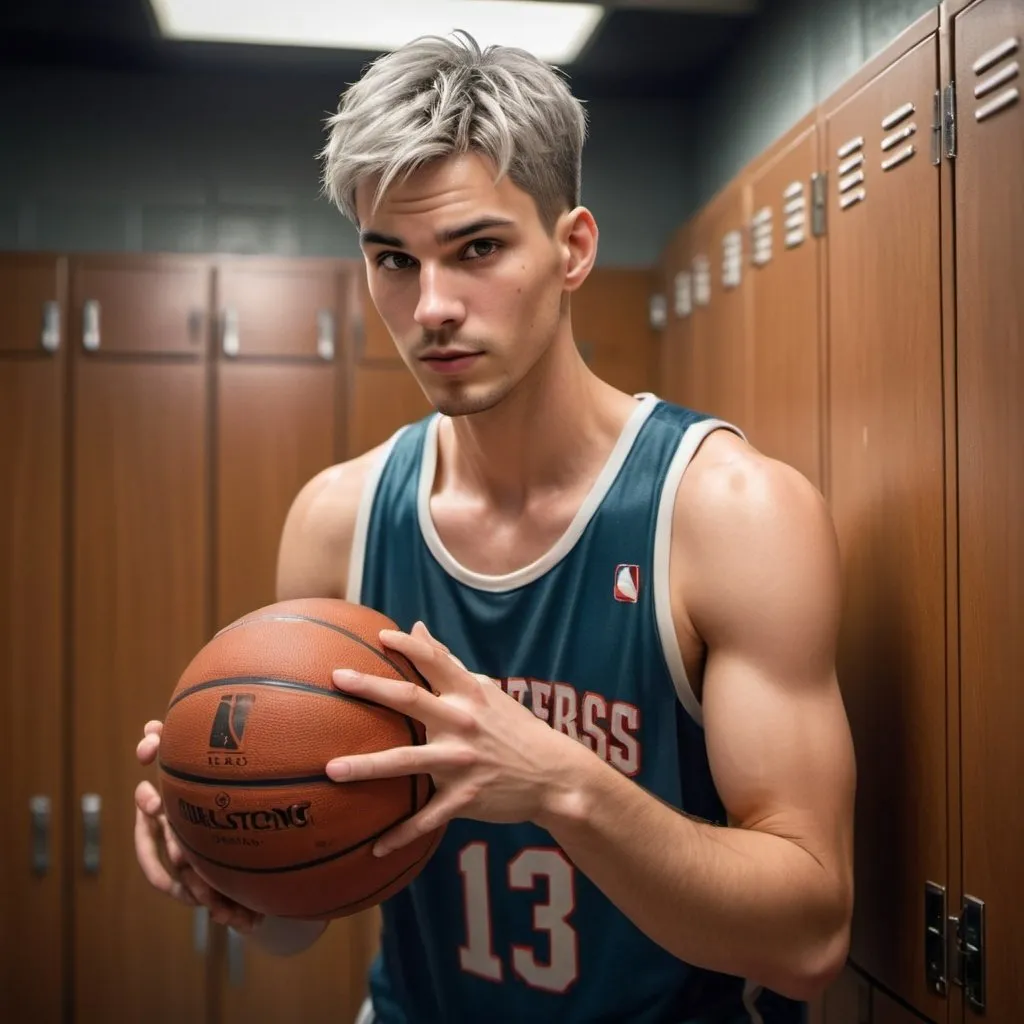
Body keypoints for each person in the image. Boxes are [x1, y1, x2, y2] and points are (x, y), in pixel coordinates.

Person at [134, 29, 855, 1024]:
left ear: (571, 248)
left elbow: (810, 936)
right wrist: (231, 858)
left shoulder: (725, 514)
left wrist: (560, 781)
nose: (430, 306)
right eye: (393, 258)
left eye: (476, 249)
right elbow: (311, 912)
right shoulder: (337, 520)